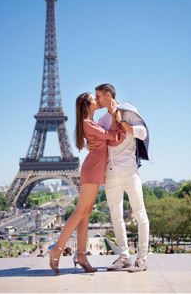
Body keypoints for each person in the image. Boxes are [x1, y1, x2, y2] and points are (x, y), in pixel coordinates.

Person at [49, 92, 125, 274]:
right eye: (94, 98)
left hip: (96, 168)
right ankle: (57, 249)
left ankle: (82, 255)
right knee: (81, 211)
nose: (97, 100)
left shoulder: (92, 123)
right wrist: (117, 117)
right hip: (92, 169)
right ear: (86, 104)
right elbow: (113, 136)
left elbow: (102, 139)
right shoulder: (87, 123)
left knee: (86, 212)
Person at [93, 83, 149, 272]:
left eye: (99, 96)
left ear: (108, 95)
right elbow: (99, 145)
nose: (97, 99)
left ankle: (142, 258)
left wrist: (123, 122)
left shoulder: (129, 112)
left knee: (140, 214)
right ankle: (124, 256)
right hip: (111, 172)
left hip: (129, 171)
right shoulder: (101, 120)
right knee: (116, 216)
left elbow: (143, 133)